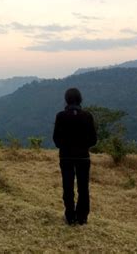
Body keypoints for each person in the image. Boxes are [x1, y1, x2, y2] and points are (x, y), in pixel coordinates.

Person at [53, 88, 97, 225]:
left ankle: (70, 216)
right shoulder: (88, 116)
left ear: (66, 100)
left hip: (66, 157)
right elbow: (93, 140)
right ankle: (82, 217)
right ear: (80, 99)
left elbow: (56, 139)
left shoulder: (60, 116)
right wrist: (83, 146)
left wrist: (65, 146)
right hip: (83, 157)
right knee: (83, 187)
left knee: (68, 186)